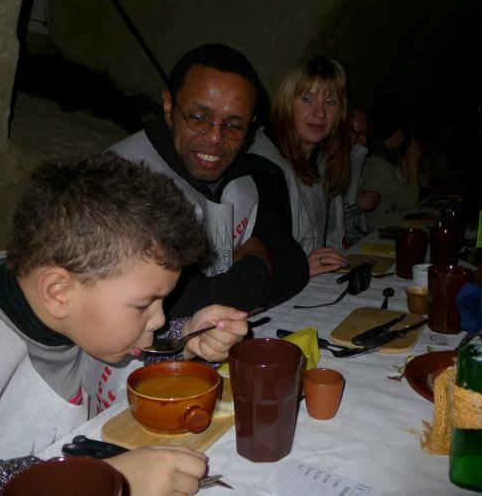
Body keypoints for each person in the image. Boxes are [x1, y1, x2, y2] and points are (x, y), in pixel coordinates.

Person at [0, 153, 250, 495]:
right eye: (144, 304)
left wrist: (186, 337)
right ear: (58, 292)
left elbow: (120, 357)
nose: (160, 318)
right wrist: (98, 477)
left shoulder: (63, 301)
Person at [108, 44, 308, 317]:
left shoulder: (238, 172)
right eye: (199, 117)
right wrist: (255, 266)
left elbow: (294, 266)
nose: (215, 138)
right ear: (168, 107)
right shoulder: (120, 181)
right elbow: (168, 308)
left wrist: (228, 293)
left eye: (234, 125)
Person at [248, 56, 352, 276]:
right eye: (307, 99)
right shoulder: (262, 164)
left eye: (330, 102)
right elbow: (253, 264)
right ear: (287, 102)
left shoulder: (322, 161)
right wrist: (300, 267)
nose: (320, 113)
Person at [362, 96, 422, 231]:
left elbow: (397, 194)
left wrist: (405, 172)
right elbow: (409, 202)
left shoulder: (385, 157)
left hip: (390, 227)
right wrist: (413, 166)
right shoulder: (377, 163)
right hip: (380, 232)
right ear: (398, 132)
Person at [343, 107, 380, 247]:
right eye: (356, 133)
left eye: (365, 135)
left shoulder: (356, 160)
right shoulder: (325, 164)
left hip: (354, 242)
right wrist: (357, 204)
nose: (363, 141)